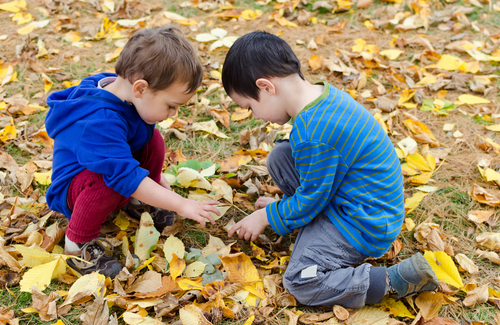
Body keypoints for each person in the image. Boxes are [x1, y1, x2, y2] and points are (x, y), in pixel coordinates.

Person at [222, 31, 438, 308]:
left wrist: (267, 216)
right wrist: (284, 210)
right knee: (280, 155)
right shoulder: (322, 98)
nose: (253, 115)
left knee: (301, 280)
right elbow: (315, 180)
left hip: (363, 224)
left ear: (266, 87)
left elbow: (312, 197)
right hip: (358, 199)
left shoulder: (315, 135)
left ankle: (392, 279)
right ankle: (303, 218)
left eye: (249, 107)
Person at [45, 27, 220, 278]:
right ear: (140, 88)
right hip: (76, 189)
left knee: (152, 139)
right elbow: (123, 175)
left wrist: (161, 187)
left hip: (110, 173)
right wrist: (181, 204)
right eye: (171, 106)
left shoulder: (123, 91)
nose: (174, 114)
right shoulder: (99, 121)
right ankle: (78, 243)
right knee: (109, 181)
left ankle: (140, 199)